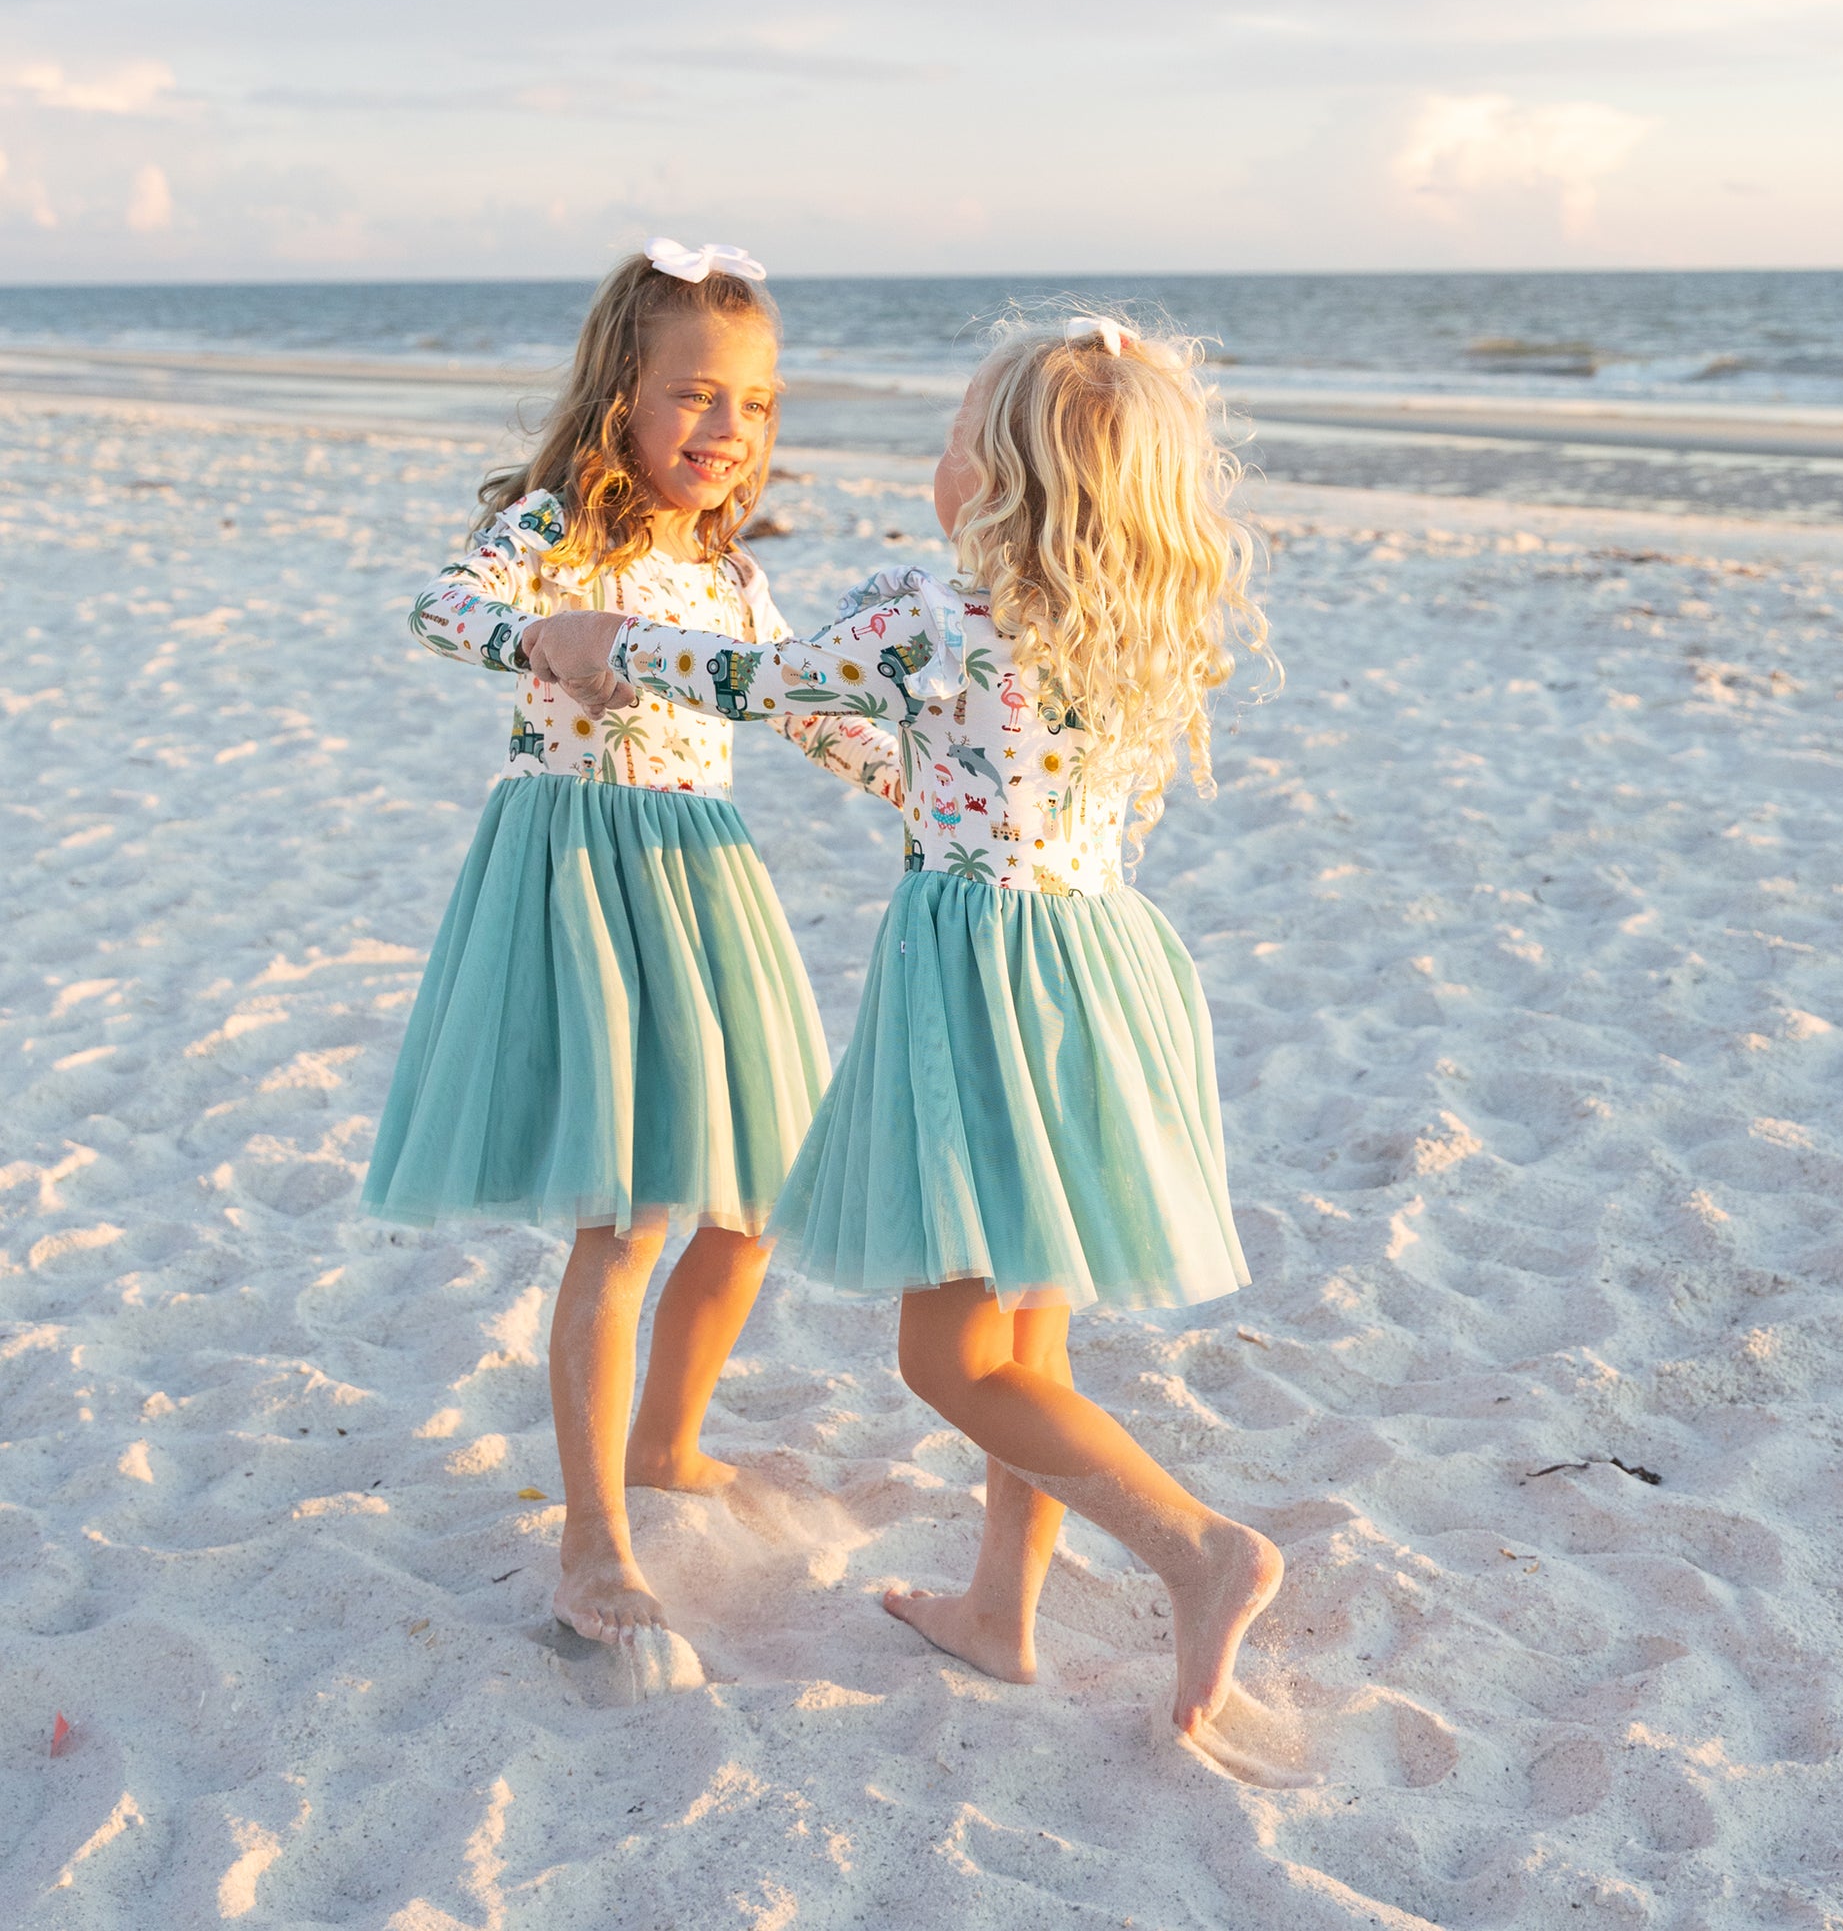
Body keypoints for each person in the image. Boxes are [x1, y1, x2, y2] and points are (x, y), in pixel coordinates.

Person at [527, 311, 1283, 1738]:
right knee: (1030, 1336)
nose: (933, 463)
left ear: (994, 482)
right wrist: (887, 761)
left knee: (947, 1359)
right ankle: (999, 1613)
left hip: (982, 990)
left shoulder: (929, 612)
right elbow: (940, 762)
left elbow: (758, 680)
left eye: (950, 441)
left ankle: (1198, 1545)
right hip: (1101, 980)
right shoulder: (1127, 625)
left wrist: (606, 640)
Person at [362, 238, 900, 1645]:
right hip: (586, 873)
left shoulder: (728, 574)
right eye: (695, 397)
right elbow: (440, 608)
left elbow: (801, 708)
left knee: (750, 1202)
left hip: (705, 880)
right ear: (621, 392)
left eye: (758, 405)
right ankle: (594, 1537)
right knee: (629, 1214)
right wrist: (548, 635)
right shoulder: (555, 535)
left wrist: (935, 786)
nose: (728, 432)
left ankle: (668, 1440)